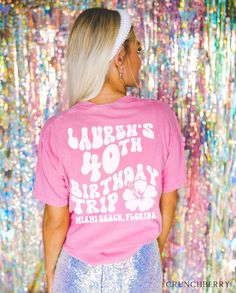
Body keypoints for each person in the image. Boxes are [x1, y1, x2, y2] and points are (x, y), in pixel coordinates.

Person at [32, 7, 186, 293]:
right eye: (137, 50)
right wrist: (151, 256)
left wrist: (53, 279)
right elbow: (170, 198)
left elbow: (56, 219)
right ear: (119, 57)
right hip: (140, 269)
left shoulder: (57, 129)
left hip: (76, 273)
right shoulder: (161, 117)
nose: (140, 60)